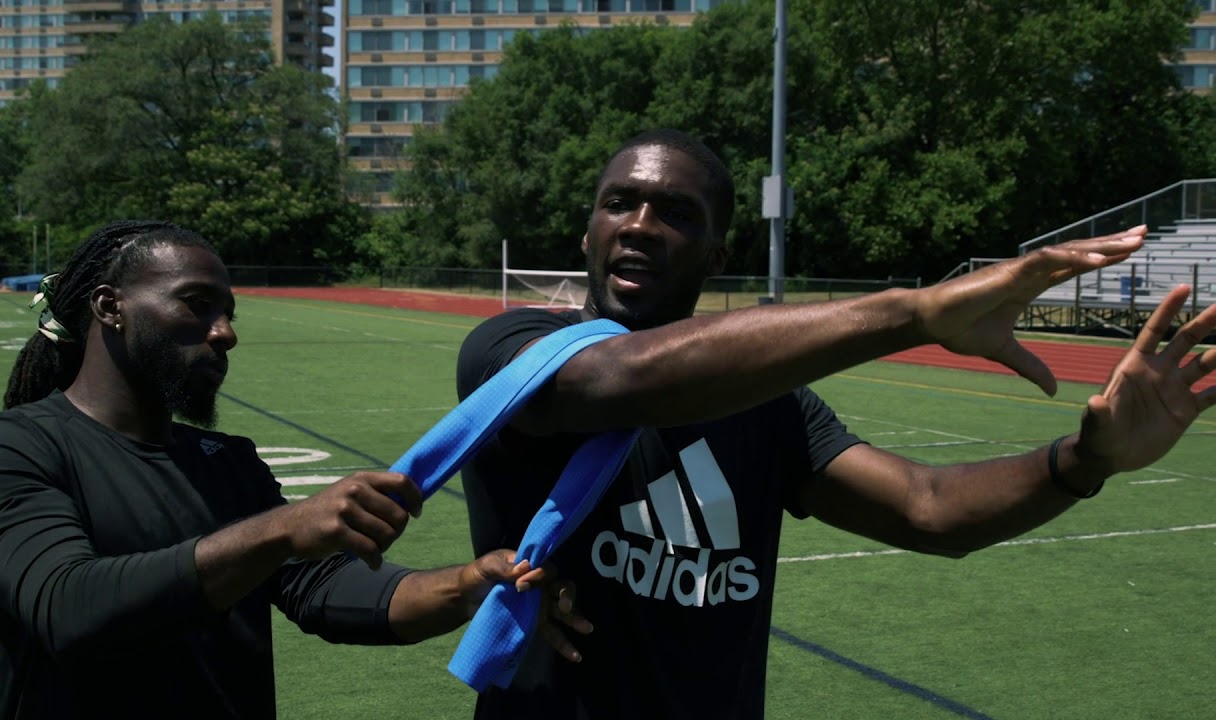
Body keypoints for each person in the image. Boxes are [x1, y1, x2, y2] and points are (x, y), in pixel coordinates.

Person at [455, 129, 1216, 719]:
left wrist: (1085, 459)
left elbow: (929, 507)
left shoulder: (769, 401)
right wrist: (914, 312)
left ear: (717, 255)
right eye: (619, 203)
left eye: (677, 214)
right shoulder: (513, 354)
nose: (642, 224)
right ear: (587, 234)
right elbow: (619, 380)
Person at [0, 221, 588, 720]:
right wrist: (281, 529)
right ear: (110, 306)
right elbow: (68, 609)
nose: (223, 332)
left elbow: (330, 593)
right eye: (196, 305)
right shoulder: (13, 449)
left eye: (227, 312)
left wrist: (469, 584)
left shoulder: (228, 465)